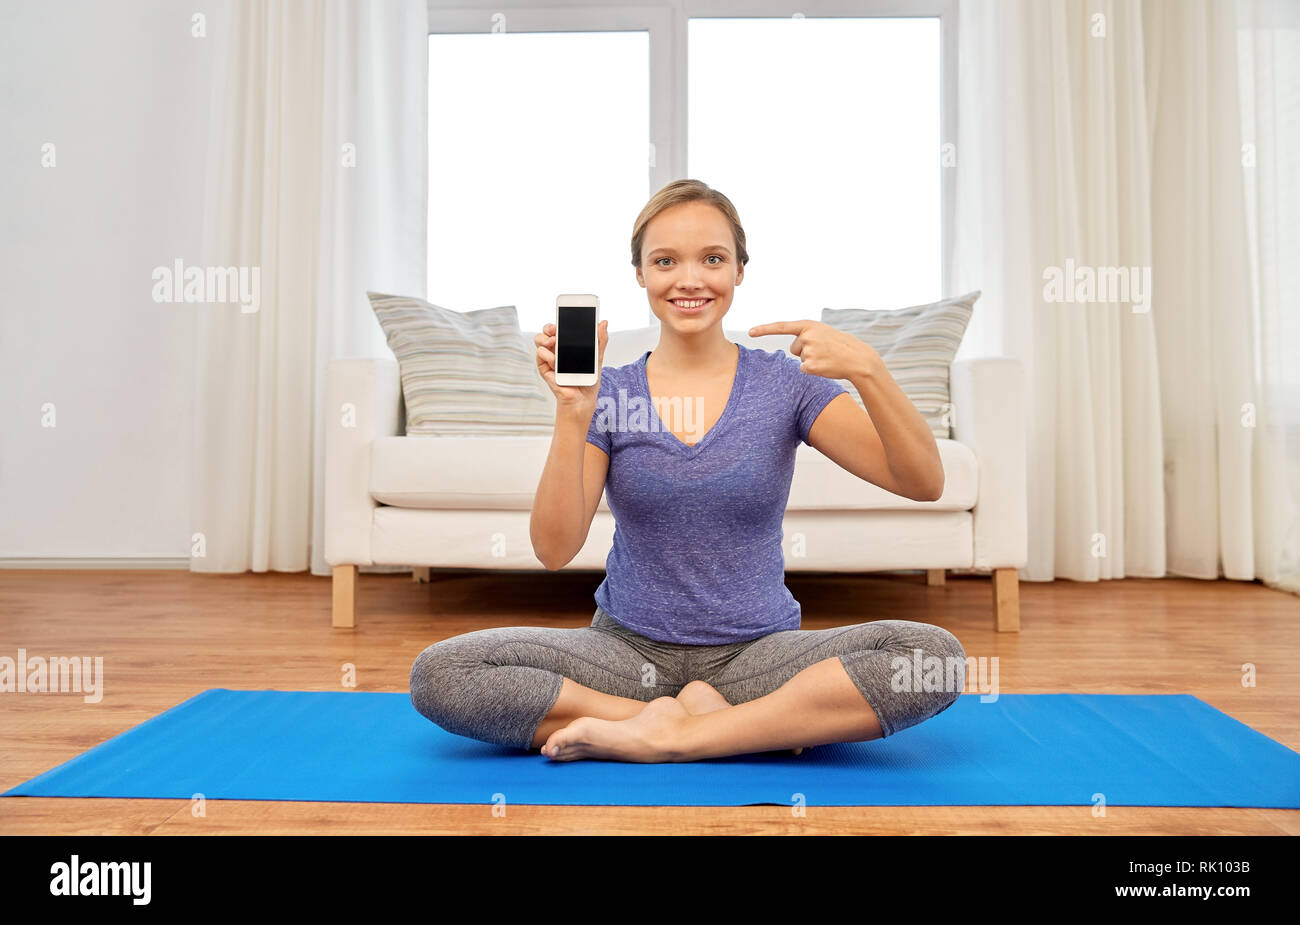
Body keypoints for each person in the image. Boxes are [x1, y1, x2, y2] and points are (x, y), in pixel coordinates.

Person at [409, 179, 966, 763]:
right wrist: (574, 412)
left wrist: (870, 371)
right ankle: (714, 726)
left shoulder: (786, 384)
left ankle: (671, 737)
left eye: (713, 258)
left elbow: (923, 482)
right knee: (444, 672)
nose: (690, 279)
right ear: (641, 275)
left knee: (933, 659)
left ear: (740, 271)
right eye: (666, 260)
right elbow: (554, 549)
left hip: (757, 655)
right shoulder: (610, 393)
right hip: (624, 655)